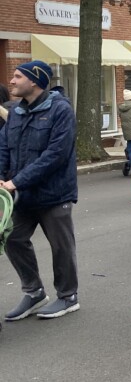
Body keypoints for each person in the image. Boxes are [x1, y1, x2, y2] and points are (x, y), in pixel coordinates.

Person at [0, 60, 81, 321]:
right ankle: (34, 292)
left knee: (61, 246)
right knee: (12, 239)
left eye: (16, 76)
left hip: (54, 193)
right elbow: (4, 148)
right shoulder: (15, 111)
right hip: (21, 194)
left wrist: (16, 181)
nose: (11, 81)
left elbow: (55, 155)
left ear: (34, 80)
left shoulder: (60, 110)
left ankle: (68, 296)